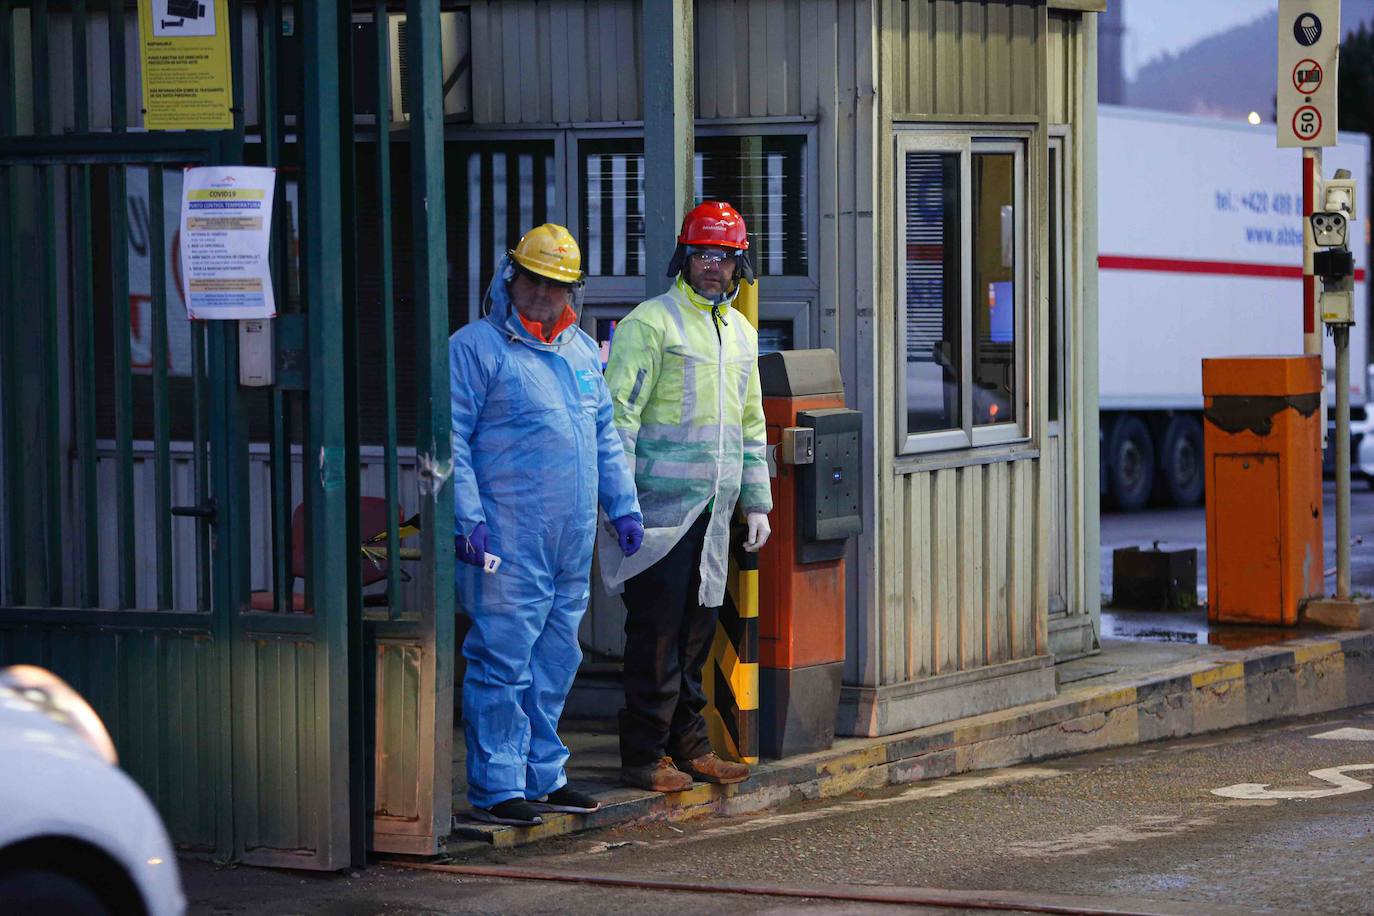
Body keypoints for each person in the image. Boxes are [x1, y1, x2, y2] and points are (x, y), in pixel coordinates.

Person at [450, 223, 645, 826]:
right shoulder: (475, 349)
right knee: (503, 658)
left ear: (572, 291)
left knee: (557, 656)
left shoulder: (583, 352)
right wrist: (467, 517)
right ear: (511, 276)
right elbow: (449, 440)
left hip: (568, 538)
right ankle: (497, 784)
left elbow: (604, 437)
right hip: (506, 537)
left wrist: (624, 504)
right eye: (533, 279)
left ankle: (543, 773)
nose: (542, 293)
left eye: (556, 284)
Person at [601, 201, 772, 792]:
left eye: (724, 257)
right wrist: (619, 503)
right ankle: (644, 756)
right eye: (703, 254)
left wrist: (757, 502)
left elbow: (751, 425)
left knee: (697, 629)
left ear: (739, 264)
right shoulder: (652, 324)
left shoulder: (742, 335)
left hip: (713, 514)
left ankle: (689, 747)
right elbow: (615, 419)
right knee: (656, 634)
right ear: (683, 256)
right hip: (656, 514)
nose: (712, 267)